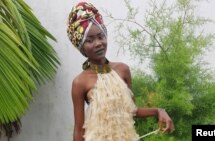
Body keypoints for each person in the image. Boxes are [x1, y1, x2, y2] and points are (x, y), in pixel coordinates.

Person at [67, 2, 174, 141]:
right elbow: (78, 130)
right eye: (90, 40)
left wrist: (159, 111)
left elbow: (132, 110)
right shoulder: (80, 82)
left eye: (101, 36)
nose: (98, 43)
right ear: (82, 47)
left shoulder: (123, 70)